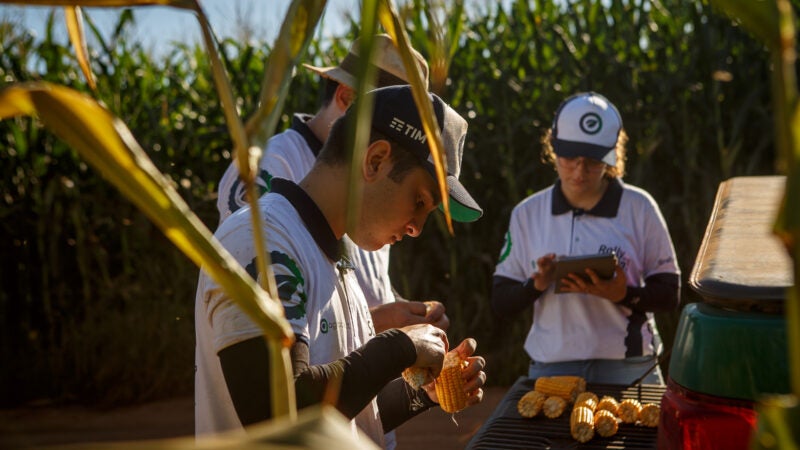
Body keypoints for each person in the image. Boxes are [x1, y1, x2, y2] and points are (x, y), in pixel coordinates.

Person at [195, 85, 486, 448]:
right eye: (419, 201)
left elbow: (351, 416)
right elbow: (275, 413)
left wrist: (424, 393)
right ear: (375, 160)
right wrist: (399, 347)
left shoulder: (338, 257)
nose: (416, 228)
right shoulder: (262, 240)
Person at [216, 34, 450, 338]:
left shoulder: (379, 183)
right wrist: (375, 324)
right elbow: (249, 293)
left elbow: (367, 280)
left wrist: (407, 314)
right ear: (346, 97)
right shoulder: (269, 165)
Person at [491, 92, 680, 386]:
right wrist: (536, 285)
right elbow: (501, 301)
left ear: (612, 155)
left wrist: (623, 295)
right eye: (569, 157)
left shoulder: (639, 207)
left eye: (592, 160)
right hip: (553, 366)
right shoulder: (527, 213)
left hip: (630, 365)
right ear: (552, 147)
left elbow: (670, 294)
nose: (580, 171)